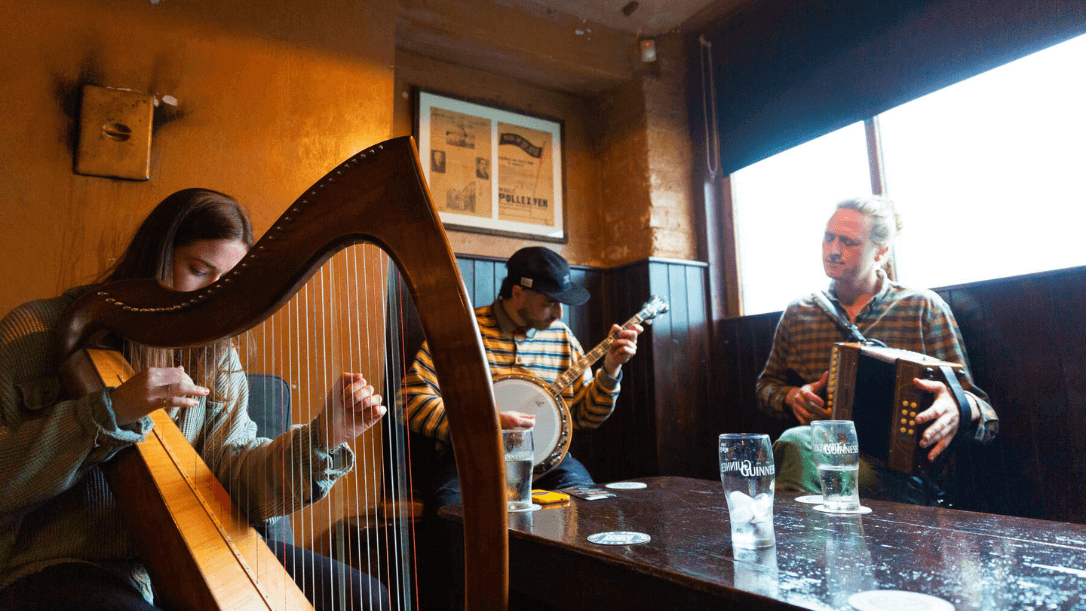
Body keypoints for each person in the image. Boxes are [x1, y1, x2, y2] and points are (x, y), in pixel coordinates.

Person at [0, 189, 389, 611]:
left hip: (184, 554)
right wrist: (109, 412)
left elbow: (235, 477)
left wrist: (323, 437)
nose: (214, 295)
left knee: (364, 599)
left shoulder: (217, 355)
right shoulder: (32, 333)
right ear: (155, 259)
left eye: (229, 281)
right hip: (54, 565)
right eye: (199, 270)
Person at [756, 195, 999, 506]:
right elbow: (766, 387)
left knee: (799, 447)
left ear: (881, 252)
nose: (833, 250)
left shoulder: (922, 307)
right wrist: (791, 397)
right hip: (820, 460)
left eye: (848, 242)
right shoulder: (800, 313)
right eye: (829, 238)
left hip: (905, 476)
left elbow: (986, 413)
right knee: (797, 444)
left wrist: (960, 408)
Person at [402, 246, 642, 507]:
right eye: (550, 303)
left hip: (550, 466)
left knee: (587, 507)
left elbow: (585, 416)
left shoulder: (562, 338)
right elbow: (410, 401)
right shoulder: (461, 334)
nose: (560, 314)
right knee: (455, 513)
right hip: (471, 462)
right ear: (518, 293)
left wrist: (610, 370)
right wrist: (485, 424)